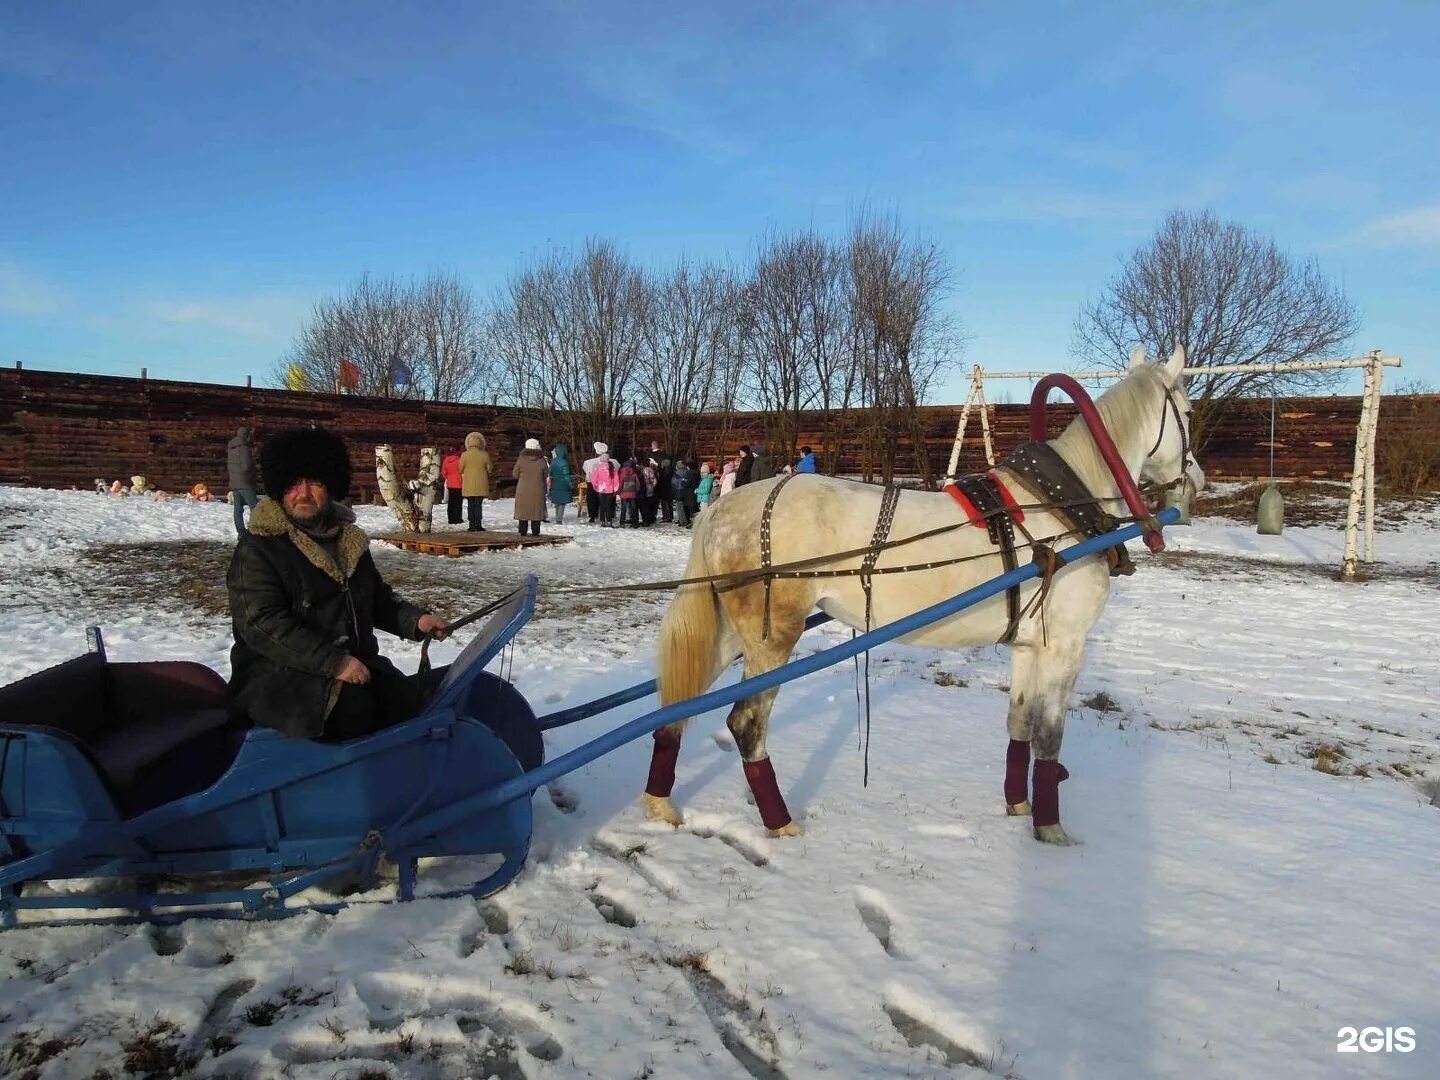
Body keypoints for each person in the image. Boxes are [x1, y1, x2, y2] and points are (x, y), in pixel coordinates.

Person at [226, 427, 451, 740]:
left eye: (314, 482)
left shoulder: (348, 541)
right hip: (276, 677)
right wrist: (333, 662)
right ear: (279, 487)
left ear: (330, 485)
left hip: (351, 667)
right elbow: (261, 622)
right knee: (354, 711)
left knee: (405, 701)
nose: (303, 493)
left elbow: (376, 600)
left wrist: (417, 621)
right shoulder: (260, 547)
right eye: (293, 483)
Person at [227, 426, 261, 536]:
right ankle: (257, 529)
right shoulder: (244, 448)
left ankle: (241, 532)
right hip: (245, 483)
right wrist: (253, 470)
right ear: (246, 435)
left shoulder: (231, 448)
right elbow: (246, 466)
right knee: (255, 507)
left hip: (235, 483)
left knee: (238, 509)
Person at [513, 437, 547, 535]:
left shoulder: (521, 459)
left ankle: (522, 533)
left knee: (523, 513)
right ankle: (536, 533)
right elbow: (546, 475)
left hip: (523, 490)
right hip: (537, 489)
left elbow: (515, 474)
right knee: (536, 512)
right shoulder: (542, 460)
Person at [460, 431, 492, 532]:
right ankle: (478, 525)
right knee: (478, 504)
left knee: (470, 504)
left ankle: (471, 525)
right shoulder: (484, 455)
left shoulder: (464, 455)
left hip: (469, 484)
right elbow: (489, 469)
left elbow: (460, 469)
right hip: (481, 484)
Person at [590, 445, 620, 526]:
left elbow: (594, 478)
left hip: (601, 489)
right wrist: (615, 488)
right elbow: (616, 480)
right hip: (610, 490)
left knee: (602, 506)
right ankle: (609, 521)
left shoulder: (598, 468)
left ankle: (603, 521)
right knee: (609, 506)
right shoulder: (612, 468)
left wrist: (595, 486)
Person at [549, 442, 575, 524]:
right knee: (562, 502)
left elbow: (550, 472)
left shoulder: (553, 461)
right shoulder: (564, 462)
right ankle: (559, 519)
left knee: (557, 502)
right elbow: (566, 475)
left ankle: (557, 517)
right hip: (563, 483)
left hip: (555, 483)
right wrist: (571, 484)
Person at [582, 442, 606, 523]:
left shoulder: (588, 462)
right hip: (605, 483)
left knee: (592, 499)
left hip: (592, 483)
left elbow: (585, 470)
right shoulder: (612, 462)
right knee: (604, 500)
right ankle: (606, 515)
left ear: (596, 451)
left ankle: (592, 515)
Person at [441, 446, 464, 525]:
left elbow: (444, 473)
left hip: (450, 483)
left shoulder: (446, 460)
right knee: (458, 502)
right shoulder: (460, 460)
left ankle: (451, 518)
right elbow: (462, 470)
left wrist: (448, 478)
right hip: (459, 483)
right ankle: (458, 518)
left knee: (451, 502)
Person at [617, 455, 642, 527]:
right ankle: (635, 523)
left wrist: (619, 492)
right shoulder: (634, 474)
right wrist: (636, 491)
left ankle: (622, 522)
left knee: (623, 509)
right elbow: (638, 484)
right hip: (633, 494)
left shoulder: (622, 474)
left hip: (624, 494)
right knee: (633, 508)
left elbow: (621, 484)